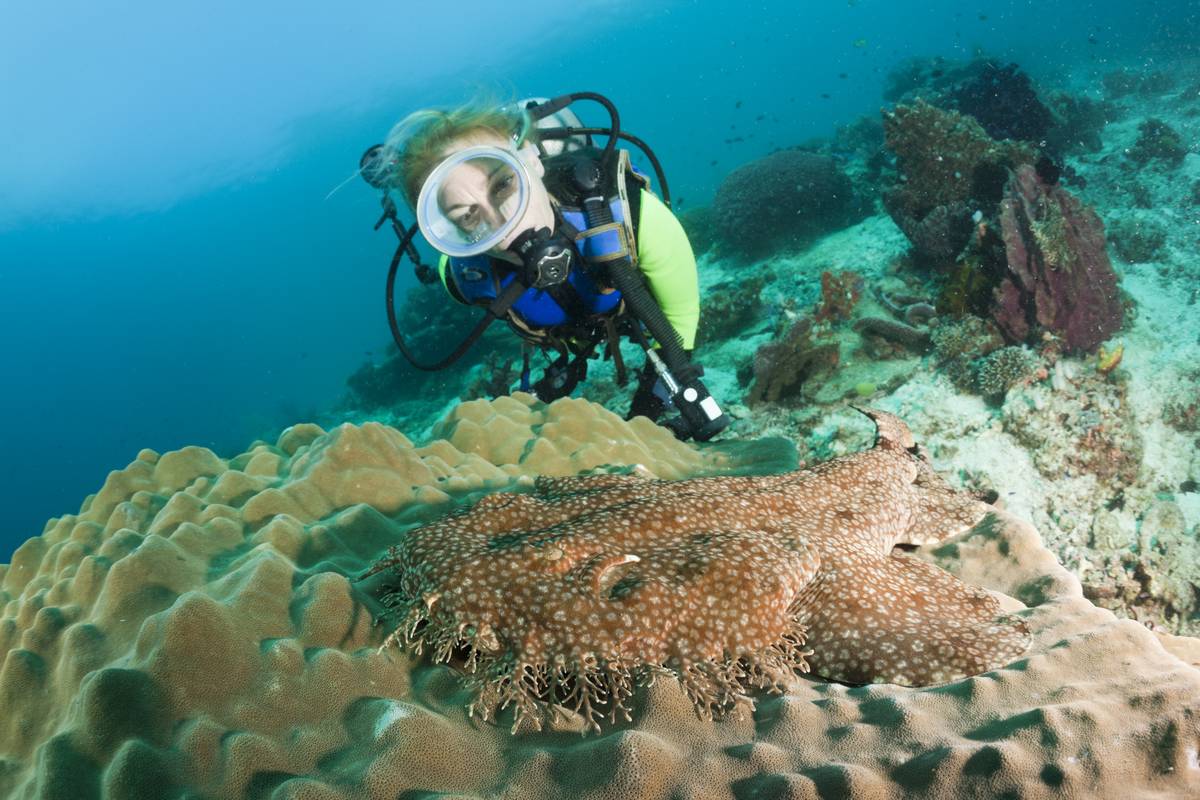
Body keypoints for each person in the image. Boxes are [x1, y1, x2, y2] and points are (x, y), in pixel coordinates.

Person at [362, 93, 729, 442]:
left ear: (532, 161)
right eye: (469, 216)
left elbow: (680, 315)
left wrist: (647, 411)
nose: (504, 225)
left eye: (503, 184)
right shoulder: (465, 277)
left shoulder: (633, 216)